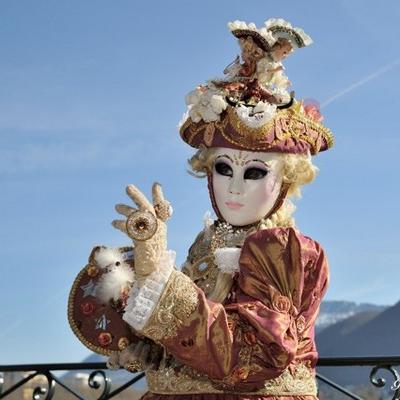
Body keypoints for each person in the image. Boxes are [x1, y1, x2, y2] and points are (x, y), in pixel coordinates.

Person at [68, 17, 334, 400]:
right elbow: (195, 342)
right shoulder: (206, 243)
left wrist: (159, 273)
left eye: (255, 171)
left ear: (287, 180)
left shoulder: (285, 249)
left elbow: (249, 358)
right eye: (223, 168)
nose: (235, 186)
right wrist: (147, 341)